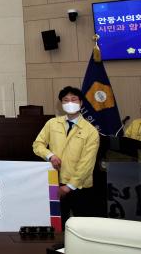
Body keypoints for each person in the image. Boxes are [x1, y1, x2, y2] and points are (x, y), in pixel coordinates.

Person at [33, 86, 99, 229]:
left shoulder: (91, 131)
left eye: (74, 99)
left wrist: (69, 187)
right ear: (61, 104)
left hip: (80, 186)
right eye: (66, 100)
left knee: (82, 227)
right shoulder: (52, 123)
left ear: (81, 103)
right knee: (57, 224)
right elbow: (37, 145)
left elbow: (87, 164)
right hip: (55, 181)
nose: (70, 103)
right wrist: (50, 155)